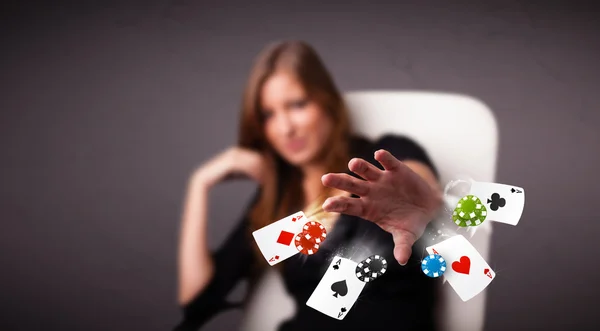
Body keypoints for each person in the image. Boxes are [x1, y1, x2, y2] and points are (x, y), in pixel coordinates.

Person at [174, 40, 443, 331]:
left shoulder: (384, 157)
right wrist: (198, 185)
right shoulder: (277, 200)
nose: (285, 127)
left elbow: (420, 188)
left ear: (326, 101)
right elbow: (198, 301)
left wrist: (422, 199)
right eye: (268, 114)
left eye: (297, 105)